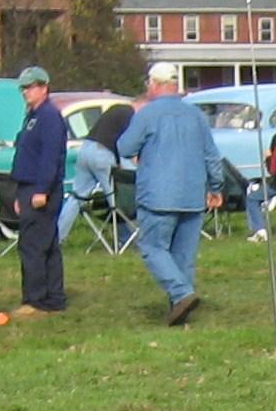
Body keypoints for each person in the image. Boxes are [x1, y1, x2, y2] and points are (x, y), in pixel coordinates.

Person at [115, 62, 222, 326]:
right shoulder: (195, 115)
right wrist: (216, 187)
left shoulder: (147, 114)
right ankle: (179, 308)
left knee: (153, 247)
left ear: (153, 84)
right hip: (193, 194)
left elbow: (125, 147)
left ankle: (181, 293)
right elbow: (211, 154)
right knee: (183, 256)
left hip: (158, 195)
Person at [9, 64, 67, 316]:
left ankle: (36, 300)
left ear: (44, 88)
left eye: (30, 87)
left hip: (40, 189)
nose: (25, 92)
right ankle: (53, 297)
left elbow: (50, 157)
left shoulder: (49, 117)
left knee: (33, 246)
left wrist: (41, 190)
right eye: (23, 88)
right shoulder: (32, 116)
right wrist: (19, 193)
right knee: (46, 244)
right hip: (28, 187)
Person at [58, 95, 134, 242]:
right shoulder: (130, 114)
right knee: (117, 198)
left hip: (85, 149)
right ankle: (125, 238)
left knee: (77, 196)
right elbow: (126, 144)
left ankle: (57, 237)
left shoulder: (116, 109)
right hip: (102, 154)